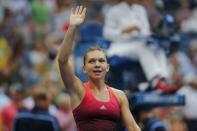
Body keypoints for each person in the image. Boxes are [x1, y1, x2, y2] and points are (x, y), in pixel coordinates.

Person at [57, 5, 141, 131]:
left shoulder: (119, 96)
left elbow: (133, 127)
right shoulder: (78, 90)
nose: (97, 64)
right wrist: (72, 27)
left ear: (107, 67)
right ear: (84, 68)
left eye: (101, 61)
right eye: (91, 61)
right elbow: (62, 61)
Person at [103, 0, 176, 93]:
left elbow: (145, 31)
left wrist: (148, 34)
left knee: (158, 47)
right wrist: (124, 30)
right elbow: (107, 34)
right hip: (120, 46)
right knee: (142, 47)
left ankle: (164, 80)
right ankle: (155, 81)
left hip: (138, 42)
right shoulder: (114, 11)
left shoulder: (140, 10)